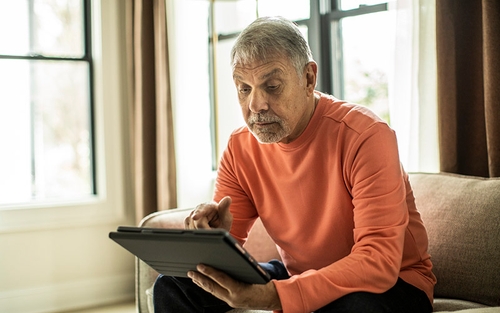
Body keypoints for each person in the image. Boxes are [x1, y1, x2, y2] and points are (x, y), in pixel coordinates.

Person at [154, 16, 436, 313]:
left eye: (272, 86)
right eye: (244, 88)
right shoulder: (239, 148)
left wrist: (277, 297)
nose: (255, 105)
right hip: (298, 275)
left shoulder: (366, 136)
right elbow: (223, 254)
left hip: (393, 286)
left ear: (308, 79)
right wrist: (212, 240)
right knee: (174, 284)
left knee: (356, 308)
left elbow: (378, 263)